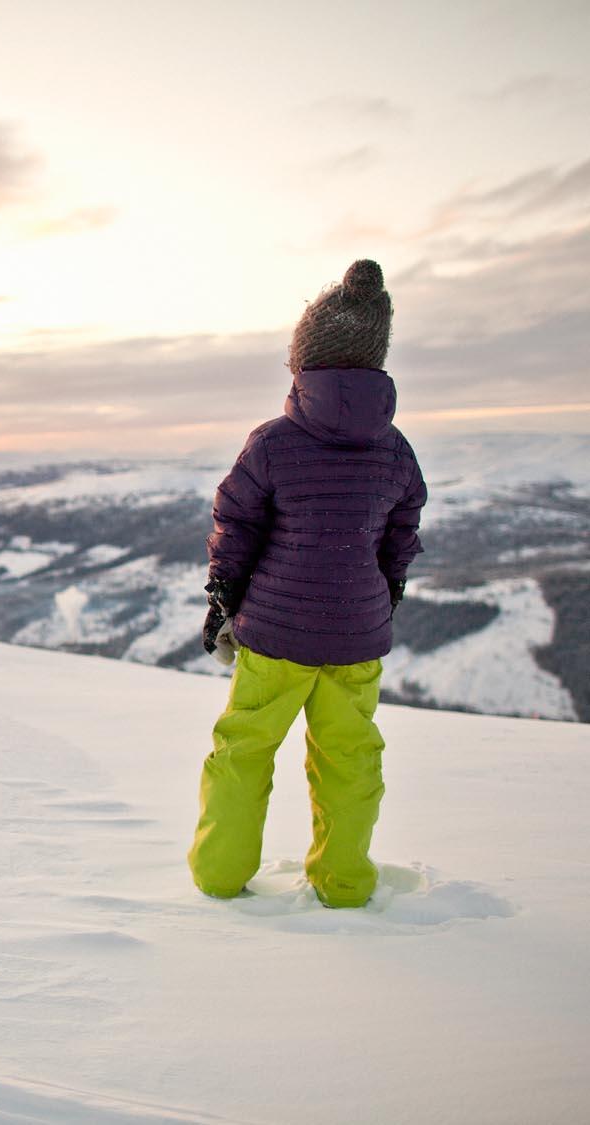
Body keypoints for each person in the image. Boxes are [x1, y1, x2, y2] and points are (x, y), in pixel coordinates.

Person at [188, 259, 427, 908]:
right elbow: (402, 532)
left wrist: (222, 599)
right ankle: (345, 884)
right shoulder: (395, 449)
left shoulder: (272, 443)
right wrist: (386, 588)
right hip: (356, 637)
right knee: (350, 765)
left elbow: (235, 524)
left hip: (273, 636)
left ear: (305, 364)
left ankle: (219, 873)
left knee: (243, 751)